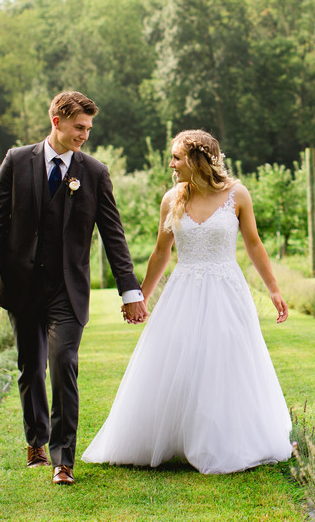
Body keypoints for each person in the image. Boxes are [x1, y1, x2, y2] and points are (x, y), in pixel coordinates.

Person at [81, 129, 292, 474]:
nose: (171, 164)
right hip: (184, 291)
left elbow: (253, 244)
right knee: (180, 359)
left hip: (227, 291)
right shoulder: (171, 198)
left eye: (177, 157)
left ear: (198, 160)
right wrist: (141, 296)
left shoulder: (237, 195)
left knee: (226, 359)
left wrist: (274, 289)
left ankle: (223, 439)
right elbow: (162, 252)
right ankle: (176, 437)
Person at [0, 91, 148, 487]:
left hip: (68, 291)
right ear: (57, 121)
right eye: (79, 127)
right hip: (20, 286)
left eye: (89, 128)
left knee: (64, 366)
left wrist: (130, 290)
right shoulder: (17, 161)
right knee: (31, 367)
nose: (84, 135)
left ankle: (63, 459)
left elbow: (113, 236)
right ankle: (35, 440)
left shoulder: (94, 173)